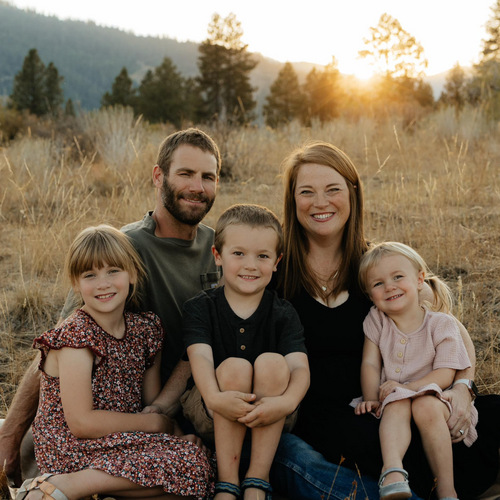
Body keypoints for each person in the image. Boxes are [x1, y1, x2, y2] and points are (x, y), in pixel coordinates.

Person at [265, 141, 500, 500]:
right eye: (307, 192)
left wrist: (463, 388)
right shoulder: (274, 271)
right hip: (327, 416)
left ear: (352, 193)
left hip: (397, 399)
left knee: (482, 417)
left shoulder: (376, 267)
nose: (320, 202)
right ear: (292, 200)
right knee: (322, 452)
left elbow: (447, 326)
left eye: (333, 189)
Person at [0, 128, 221, 486]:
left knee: (199, 474)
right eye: (186, 173)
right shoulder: (126, 250)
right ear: (158, 176)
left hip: (185, 402)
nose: (197, 186)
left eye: (208, 177)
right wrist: (10, 433)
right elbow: (59, 343)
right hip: (121, 414)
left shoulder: (221, 247)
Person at [18, 225, 214, 500]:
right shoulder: (76, 338)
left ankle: (100, 492)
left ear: (132, 273)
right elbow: (82, 423)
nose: (103, 283)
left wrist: (177, 437)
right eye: (90, 275)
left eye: (113, 271)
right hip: (73, 448)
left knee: (200, 469)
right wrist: (155, 427)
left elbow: (152, 406)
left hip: (122, 440)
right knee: (190, 467)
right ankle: (63, 486)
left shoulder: (144, 330)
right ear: (76, 284)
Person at [181, 204, 310, 500]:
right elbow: (200, 357)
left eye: (262, 256)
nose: (250, 265)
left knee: (274, 363)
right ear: (217, 255)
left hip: (273, 413)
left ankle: (257, 479)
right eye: (238, 253)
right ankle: (227, 483)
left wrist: (288, 402)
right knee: (234, 368)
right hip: (213, 408)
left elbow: (300, 368)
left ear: (276, 261)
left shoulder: (283, 312)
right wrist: (214, 398)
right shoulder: (200, 307)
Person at [354, 242, 478, 500]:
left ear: (420, 279)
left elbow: (446, 373)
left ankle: (447, 489)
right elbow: (370, 364)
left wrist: (406, 388)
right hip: (395, 400)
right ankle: (393, 473)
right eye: (378, 283)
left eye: (398, 277)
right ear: (369, 294)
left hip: (439, 400)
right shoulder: (376, 320)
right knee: (395, 402)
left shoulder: (441, 323)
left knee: (425, 405)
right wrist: (372, 397)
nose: (389, 286)